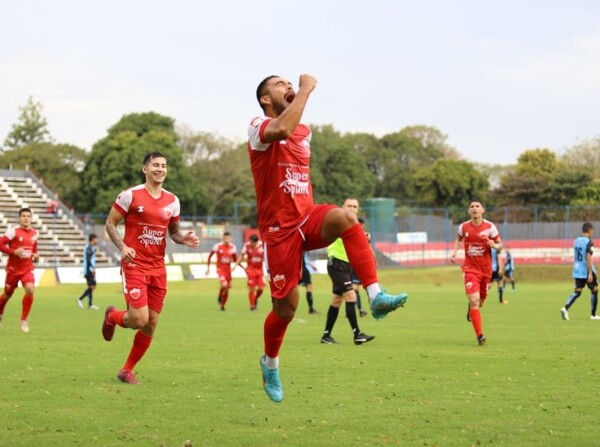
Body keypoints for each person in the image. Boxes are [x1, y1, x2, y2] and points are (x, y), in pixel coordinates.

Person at [248, 73, 408, 402]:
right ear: (265, 99)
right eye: (280, 85)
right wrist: (306, 90)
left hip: (307, 216)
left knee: (347, 217)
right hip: (280, 230)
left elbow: (293, 133)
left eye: (289, 83)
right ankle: (270, 363)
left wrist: (298, 95)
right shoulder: (257, 126)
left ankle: (376, 295)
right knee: (286, 310)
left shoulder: (304, 131)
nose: (288, 86)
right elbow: (281, 128)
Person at [101, 152, 200, 384]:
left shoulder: (172, 201)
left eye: (164, 165)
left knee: (151, 323)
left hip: (158, 268)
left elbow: (173, 232)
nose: (160, 169)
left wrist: (183, 238)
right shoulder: (130, 195)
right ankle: (112, 316)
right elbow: (110, 223)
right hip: (134, 264)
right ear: (144, 168)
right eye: (155, 165)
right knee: (138, 319)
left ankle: (127, 369)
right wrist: (123, 247)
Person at [321, 198, 374, 345]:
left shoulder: (354, 225)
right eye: (349, 205)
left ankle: (326, 335)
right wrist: (364, 236)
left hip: (345, 265)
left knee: (336, 300)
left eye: (354, 206)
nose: (351, 208)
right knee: (351, 297)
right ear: (342, 207)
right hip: (337, 263)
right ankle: (357, 334)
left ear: (358, 209)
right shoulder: (339, 220)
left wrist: (365, 237)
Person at [450, 199, 501, 346]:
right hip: (470, 269)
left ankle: (471, 310)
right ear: (468, 211)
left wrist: (493, 245)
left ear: (482, 210)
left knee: (481, 302)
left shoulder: (490, 227)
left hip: (486, 271)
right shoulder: (463, 227)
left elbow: (500, 245)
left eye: (477, 206)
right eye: (472, 206)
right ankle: (480, 335)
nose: (474, 208)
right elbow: (458, 239)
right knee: (474, 300)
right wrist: (454, 252)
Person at [0, 208, 39, 333]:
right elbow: (0, 244)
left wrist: (36, 256)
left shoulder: (35, 233)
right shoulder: (13, 231)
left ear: (31, 218)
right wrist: (13, 252)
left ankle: (23, 320)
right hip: (13, 269)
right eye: (23, 216)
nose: (26, 218)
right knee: (7, 294)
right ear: (19, 218)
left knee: (30, 289)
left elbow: (34, 250)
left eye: (28, 216)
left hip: (27, 268)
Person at [560, 222, 600, 321]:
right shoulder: (589, 242)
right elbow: (588, 257)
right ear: (590, 230)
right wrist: (590, 273)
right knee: (595, 290)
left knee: (578, 291)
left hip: (577, 270)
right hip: (586, 269)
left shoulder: (576, 241)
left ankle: (565, 308)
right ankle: (593, 315)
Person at [205, 232, 237, 311]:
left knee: (227, 288)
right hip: (220, 269)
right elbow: (210, 256)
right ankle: (220, 295)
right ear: (223, 238)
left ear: (231, 239)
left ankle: (222, 305)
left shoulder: (233, 247)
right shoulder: (217, 246)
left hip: (228, 270)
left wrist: (241, 267)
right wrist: (208, 268)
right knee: (224, 284)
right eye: (225, 238)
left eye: (228, 238)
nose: (227, 240)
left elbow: (235, 259)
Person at [234, 234, 265, 311]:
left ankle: (255, 299)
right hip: (250, 270)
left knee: (261, 289)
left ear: (256, 242)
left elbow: (267, 256)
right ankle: (252, 305)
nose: (250, 244)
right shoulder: (246, 245)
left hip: (260, 270)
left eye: (252, 243)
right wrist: (235, 265)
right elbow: (241, 256)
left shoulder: (262, 245)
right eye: (250, 242)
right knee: (252, 288)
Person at [77, 233, 100, 310]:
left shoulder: (90, 247)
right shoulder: (89, 248)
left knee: (90, 287)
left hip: (88, 270)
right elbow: (88, 259)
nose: (97, 240)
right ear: (92, 239)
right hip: (88, 270)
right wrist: (92, 268)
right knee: (93, 286)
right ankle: (80, 299)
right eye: (96, 239)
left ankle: (90, 304)